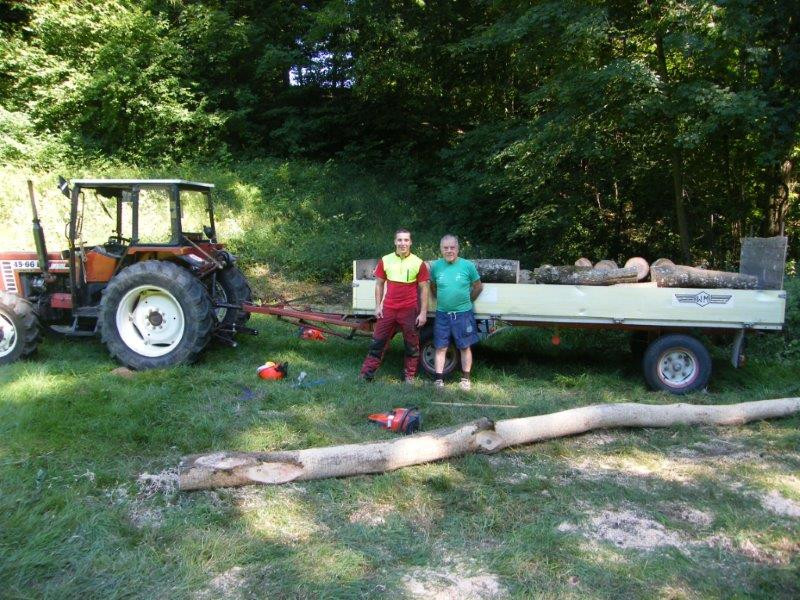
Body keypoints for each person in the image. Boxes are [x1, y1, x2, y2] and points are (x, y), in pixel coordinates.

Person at [359, 228, 429, 383]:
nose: (403, 243)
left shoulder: (418, 263)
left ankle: (409, 376)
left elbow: (424, 288)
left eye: (406, 240)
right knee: (377, 342)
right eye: (400, 240)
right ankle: (366, 375)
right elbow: (379, 284)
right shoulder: (385, 260)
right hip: (388, 309)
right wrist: (377, 306)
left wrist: (423, 312)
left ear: (410, 242)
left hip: (409, 310)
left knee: (412, 345)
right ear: (395, 242)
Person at [430, 234, 483, 391]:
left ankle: (465, 380)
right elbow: (433, 286)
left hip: (463, 314)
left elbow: (478, 286)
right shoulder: (436, 266)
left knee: (464, 346)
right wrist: (442, 299)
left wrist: (468, 301)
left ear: (458, 248)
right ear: (441, 249)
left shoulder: (467, 266)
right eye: (445, 248)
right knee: (440, 347)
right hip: (442, 314)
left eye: (452, 247)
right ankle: (439, 380)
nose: (449, 251)